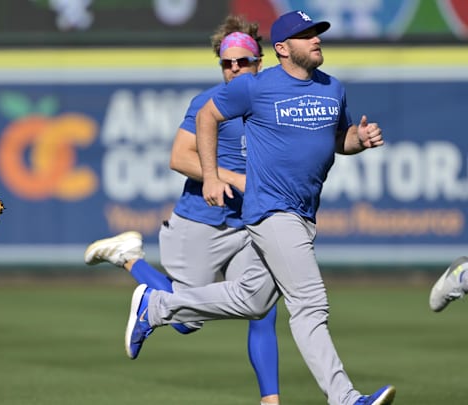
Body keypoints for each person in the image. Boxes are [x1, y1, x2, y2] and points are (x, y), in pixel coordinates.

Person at [122, 10, 396, 405]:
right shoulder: (255, 87)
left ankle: (157, 307)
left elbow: (340, 138)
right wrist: (213, 175)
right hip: (271, 210)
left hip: (303, 213)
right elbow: (206, 115)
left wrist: (360, 138)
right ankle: (346, 399)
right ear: (283, 48)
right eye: (306, 35)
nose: (316, 39)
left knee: (254, 300)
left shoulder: (332, 88)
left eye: (317, 33)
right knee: (310, 304)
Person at [84, 15, 281, 405]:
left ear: (262, 62)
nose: (235, 69)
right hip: (202, 221)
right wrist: (231, 178)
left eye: (244, 61)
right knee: (188, 321)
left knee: (263, 308)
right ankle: (130, 260)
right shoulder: (209, 103)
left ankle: (270, 401)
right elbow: (178, 157)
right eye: (228, 64)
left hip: (249, 223)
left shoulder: (275, 103)